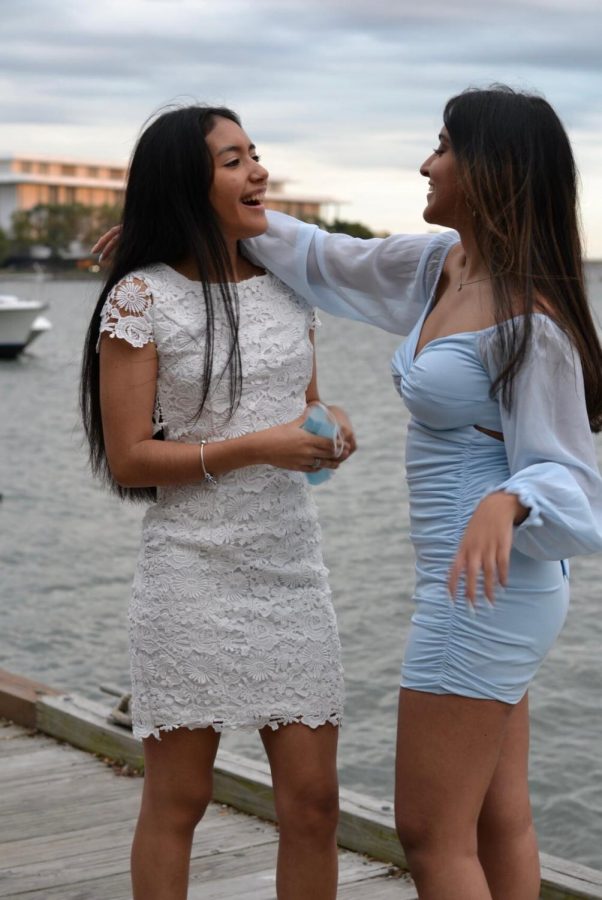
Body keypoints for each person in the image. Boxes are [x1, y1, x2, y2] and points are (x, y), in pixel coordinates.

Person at [241, 86, 602, 900]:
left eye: (443, 146)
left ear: (489, 169)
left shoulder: (530, 321)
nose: (426, 162)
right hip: (475, 582)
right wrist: (198, 226)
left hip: (483, 591)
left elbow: (575, 480)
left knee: (431, 835)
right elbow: (329, 257)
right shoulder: (444, 267)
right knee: (495, 820)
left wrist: (506, 500)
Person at [81, 104, 356, 900]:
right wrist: (258, 447)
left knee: (314, 804)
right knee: (181, 800)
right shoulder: (140, 298)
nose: (257, 171)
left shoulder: (288, 288)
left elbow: (302, 410)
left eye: (255, 154)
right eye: (233, 160)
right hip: (189, 571)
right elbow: (133, 457)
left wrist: (329, 430)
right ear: (185, 183)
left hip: (291, 572)